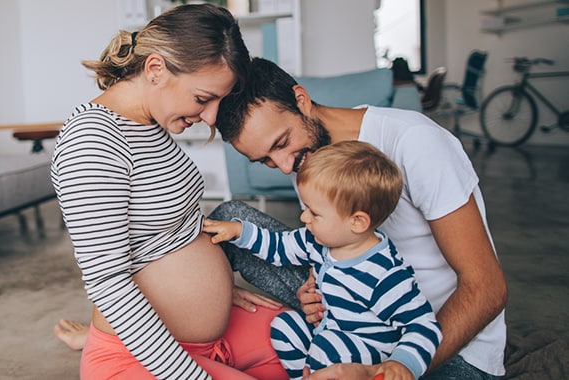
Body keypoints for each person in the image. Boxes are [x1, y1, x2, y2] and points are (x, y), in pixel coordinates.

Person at [209, 57, 508, 380]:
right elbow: (328, 245)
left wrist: (383, 371)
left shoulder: (413, 141)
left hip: (436, 339)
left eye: (281, 143)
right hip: (353, 319)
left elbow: (487, 289)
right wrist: (314, 287)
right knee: (229, 219)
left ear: (301, 100)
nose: (283, 166)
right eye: (265, 161)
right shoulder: (307, 160)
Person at [50, 5, 289, 379]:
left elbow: (170, 232)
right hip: (140, 357)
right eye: (202, 99)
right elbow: (107, 281)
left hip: (207, 335)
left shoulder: (150, 122)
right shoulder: (93, 141)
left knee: (315, 344)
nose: (211, 117)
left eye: (218, 102)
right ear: (156, 69)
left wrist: (218, 291)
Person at [203, 141, 442, 380]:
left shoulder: (384, 274)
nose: (303, 217)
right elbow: (279, 246)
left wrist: (402, 363)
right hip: (329, 330)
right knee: (284, 326)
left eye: (314, 213)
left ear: (357, 222)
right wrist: (238, 231)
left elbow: (423, 324)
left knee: (329, 346)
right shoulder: (317, 240)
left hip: (369, 352)